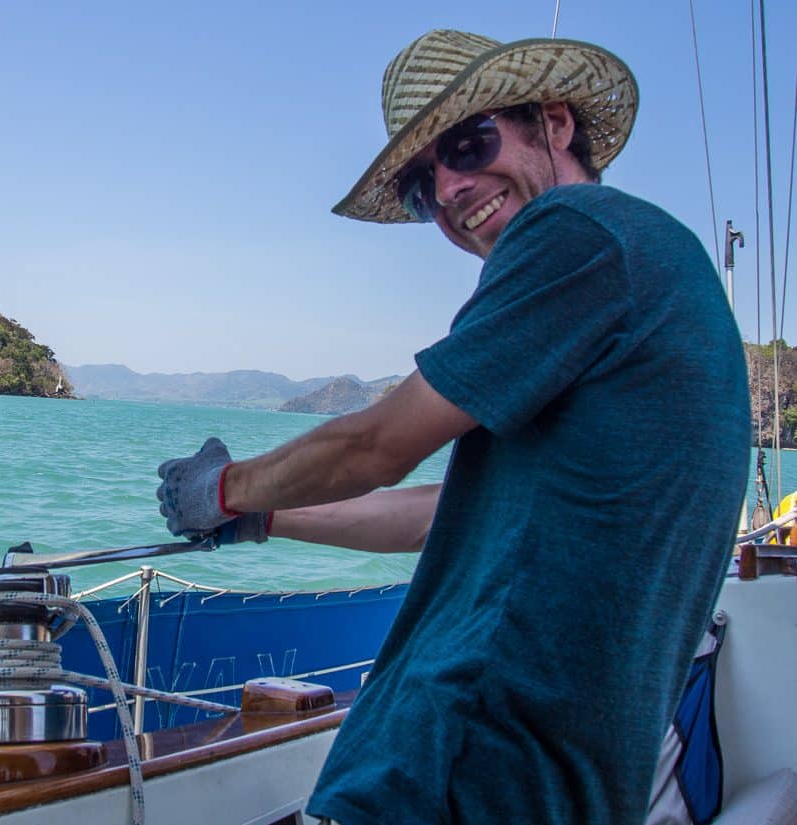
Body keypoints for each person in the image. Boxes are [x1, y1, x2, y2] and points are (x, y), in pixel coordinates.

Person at [156, 29, 750, 824]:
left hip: (455, 765)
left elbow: (378, 443)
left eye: (469, 143)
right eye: (418, 185)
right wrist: (267, 514)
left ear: (556, 123)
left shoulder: (577, 231)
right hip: (561, 788)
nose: (450, 190)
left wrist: (222, 488)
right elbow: (452, 516)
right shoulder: (648, 271)